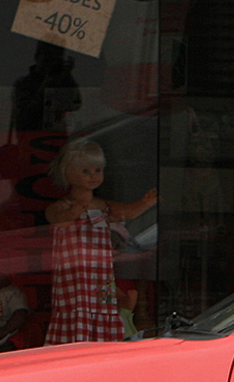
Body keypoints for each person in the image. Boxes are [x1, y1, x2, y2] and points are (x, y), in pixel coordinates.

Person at [44, 139, 156, 344]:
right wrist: (73, 211)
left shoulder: (102, 205)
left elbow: (125, 212)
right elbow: (56, 219)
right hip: (75, 273)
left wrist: (145, 203)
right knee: (76, 306)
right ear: (66, 172)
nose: (93, 176)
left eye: (97, 170)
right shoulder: (64, 205)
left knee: (104, 303)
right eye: (85, 171)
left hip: (100, 273)